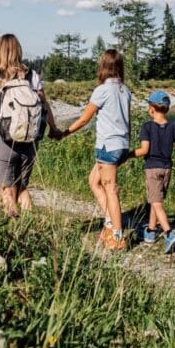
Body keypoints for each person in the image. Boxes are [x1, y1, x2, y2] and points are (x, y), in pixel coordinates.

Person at [0, 34, 61, 216]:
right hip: (29, 139)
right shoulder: (31, 75)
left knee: (7, 189)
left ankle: (13, 230)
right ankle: (30, 227)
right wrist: (53, 129)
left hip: (3, 138)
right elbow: (45, 106)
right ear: (18, 51)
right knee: (22, 188)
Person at [59, 50, 131, 250]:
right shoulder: (125, 90)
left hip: (108, 145)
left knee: (110, 189)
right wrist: (127, 144)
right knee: (94, 181)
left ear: (104, 66)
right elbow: (129, 121)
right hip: (122, 144)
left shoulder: (102, 90)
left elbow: (84, 119)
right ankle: (109, 223)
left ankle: (117, 236)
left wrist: (64, 133)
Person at [129, 90, 175, 254]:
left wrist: (128, 155)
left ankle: (169, 234)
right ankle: (151, 232)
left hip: (152, 168)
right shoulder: (173, 127)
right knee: (157, 200)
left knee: (156, 202)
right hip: (167, 168)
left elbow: (144, 150)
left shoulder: (147, 127)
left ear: (152, 109)